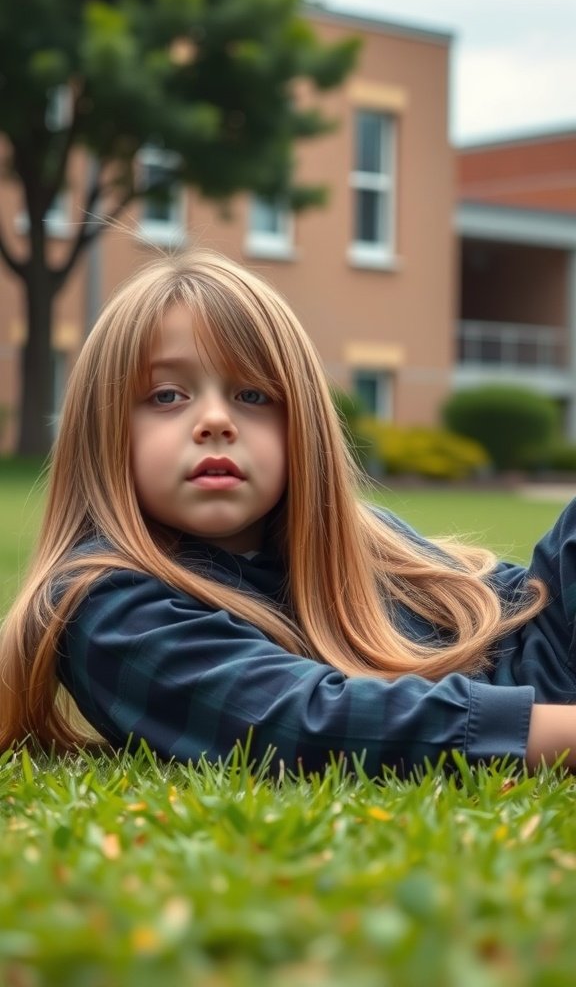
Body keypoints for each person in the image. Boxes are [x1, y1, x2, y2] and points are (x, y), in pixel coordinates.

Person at [1, 249, 576, 777]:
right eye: (167, 396)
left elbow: (515, 604)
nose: (215, 422)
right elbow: (308, 724)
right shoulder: (109, 610)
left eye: (252, 395)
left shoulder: (362, 538)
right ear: (102, 432)